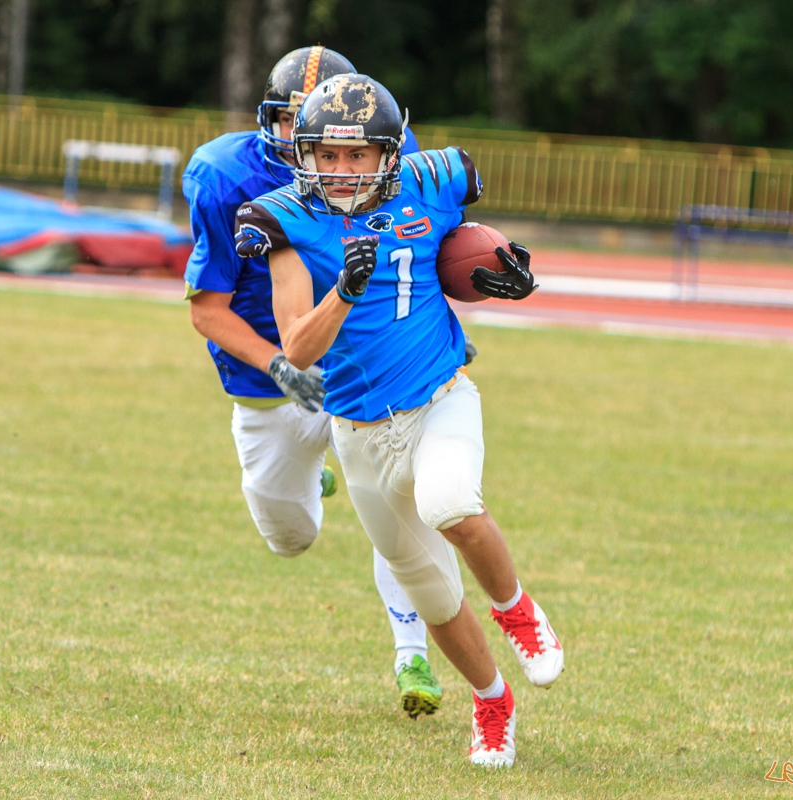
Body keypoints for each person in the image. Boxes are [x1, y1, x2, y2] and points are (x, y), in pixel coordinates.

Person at [234, 73, 564, 767]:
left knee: (452, 502)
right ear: (306, 155)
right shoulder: (283, 216)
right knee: (432, 593)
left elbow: (466, 244)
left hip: (441, 395)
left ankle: (518, 612)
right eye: (328, 155)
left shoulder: (437, 176)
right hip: (355, 430)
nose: (342, 170)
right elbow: (296, 347)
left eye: (358, 155)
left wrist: (507, 274)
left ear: (390, 153)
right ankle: (492, 701)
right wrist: (345, 292)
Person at [182, 47, 445, 718]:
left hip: (365, 366)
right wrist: (277, 363)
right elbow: (207, 308)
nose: (333, 160)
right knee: (289, 537)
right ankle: (314, 475)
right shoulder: (223, 173)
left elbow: (429, 241)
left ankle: (411, 652)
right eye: (297, 128)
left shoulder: (394, 156)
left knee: (403, 504)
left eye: (350, 148)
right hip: (267, 382)